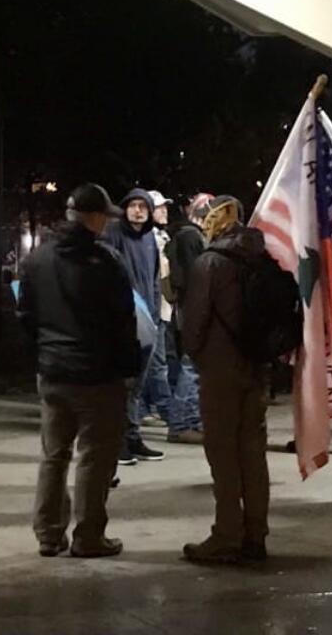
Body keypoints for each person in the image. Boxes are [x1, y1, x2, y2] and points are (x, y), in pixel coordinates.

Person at [18, 183, 140, 559]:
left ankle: (49, 534)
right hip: (97, 375)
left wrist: (44, 354)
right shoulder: (104, 263)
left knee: (53, 455)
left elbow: (26, 316)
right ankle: (88, 536)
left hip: (53, 372)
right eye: (104, 216)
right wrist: (129, 369)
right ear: (93, 217)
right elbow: (124, 322)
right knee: (94, 457)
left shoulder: (38, 259)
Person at [179, 195, 271, 563]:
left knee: (223, 454)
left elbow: (194, 323)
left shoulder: (210, 263)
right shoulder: (262, 258)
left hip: (221, 369)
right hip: (256, 369)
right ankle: (256, 533)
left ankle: (227, 534)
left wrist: (197, 355)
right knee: (252, 453)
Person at [102, 188, 164, 464]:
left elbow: (153, 278)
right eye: (133, 205)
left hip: (148, 319)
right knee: (122, 384)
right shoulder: (114, 234)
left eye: (144, 206)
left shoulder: (150, 238)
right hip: (123, 319)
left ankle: (133, 436)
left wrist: (154, 311)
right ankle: (117, 443)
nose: (138, 211)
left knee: (139, 384)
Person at [164, 194, 210, 445]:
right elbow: (197, 275)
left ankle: (188, 421)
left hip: (189, 306)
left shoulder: (184, 236)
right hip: (194, 308)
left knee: (193, 365)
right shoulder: (191, 237)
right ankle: (182, 423)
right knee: (191, 365)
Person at [140, 190, 174, 427]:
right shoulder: (150, 239)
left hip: (160, 307)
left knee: (154, 361)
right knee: (157, 362)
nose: (164, 211)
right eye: (159, 207)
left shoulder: (161, 237)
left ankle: (145, 408)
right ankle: (165, 409)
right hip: (154, 309)